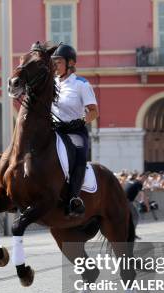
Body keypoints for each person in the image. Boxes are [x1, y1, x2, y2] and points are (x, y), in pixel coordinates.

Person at [51, 43, 99, 217]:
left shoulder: (81, 84)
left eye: (58, 62)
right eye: (53, 62)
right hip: (54, 130)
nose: (54, 66)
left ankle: (73, 199)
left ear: (70, 63)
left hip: (74, 131)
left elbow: (94, 112)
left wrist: (79, 121)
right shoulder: (51, 83)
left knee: (79, 158)